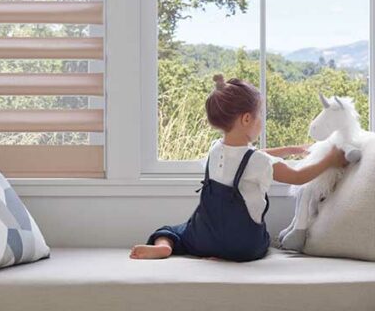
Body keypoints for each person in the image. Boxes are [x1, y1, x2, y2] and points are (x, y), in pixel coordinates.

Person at [130, 74, 348, 261]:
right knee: (262, 239)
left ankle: (164, 246)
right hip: (245, 247)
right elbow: (298, 176)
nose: (262, 119)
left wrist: (291, 149)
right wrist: (330, 159)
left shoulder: (215, 150)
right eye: (260, 114)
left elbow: (248, 156)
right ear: (246, 119)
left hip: (206, 238)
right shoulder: (258, 162)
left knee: (169, 231)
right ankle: (225, 253)